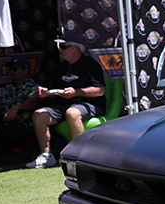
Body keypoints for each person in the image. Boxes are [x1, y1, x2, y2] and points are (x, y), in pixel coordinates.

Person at [26, 40, 106, 168]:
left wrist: (76, 92)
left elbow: (99, 91)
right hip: (64, 105)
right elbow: (57, 90)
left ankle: (81, 156)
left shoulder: (90, 64)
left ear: (76, 48)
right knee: (39, 115)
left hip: (89, 103)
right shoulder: (61, 66)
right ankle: (47, 156)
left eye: (63, 46)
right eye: (59, 46)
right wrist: (47, 93)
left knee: (72, 112)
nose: (59, 49)